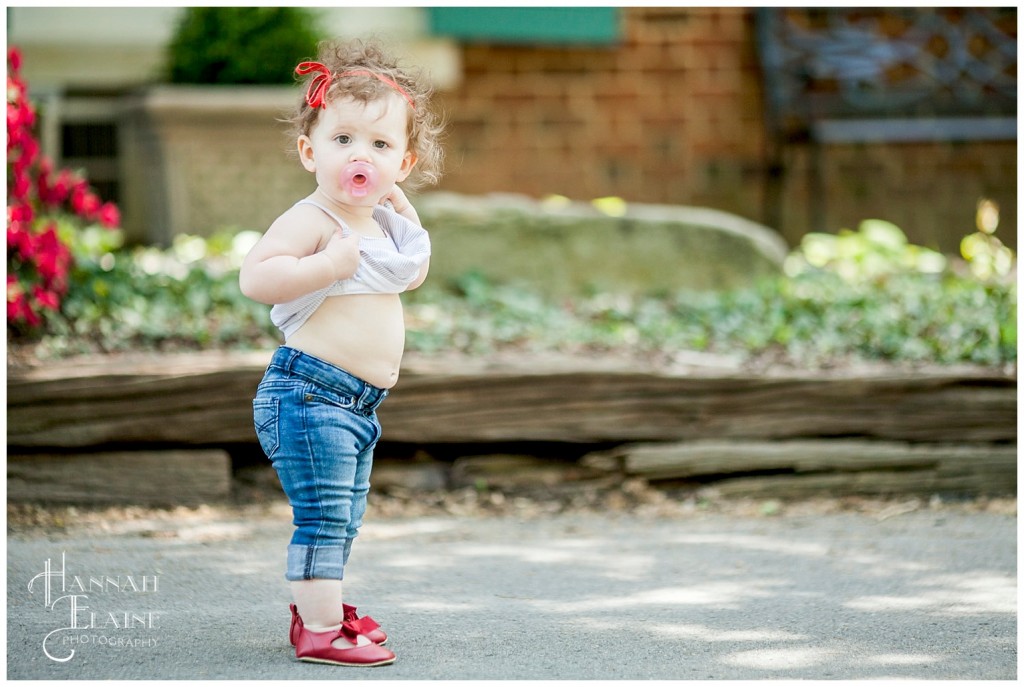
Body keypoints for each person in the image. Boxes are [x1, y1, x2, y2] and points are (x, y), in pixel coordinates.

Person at [239, 38, 445, 667]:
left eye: (381, 146)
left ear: (403, 164)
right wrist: (324, 265)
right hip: (308, 394)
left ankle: (317, 606)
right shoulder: (316, 217)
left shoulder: (379, 226)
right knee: (325, 514)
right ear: (311, 151)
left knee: (345, 515)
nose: (362, 156)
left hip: (357, 404)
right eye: (344, 140)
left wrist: (396, 207)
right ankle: (321, 629)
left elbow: (410, 270)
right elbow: (257, 277)